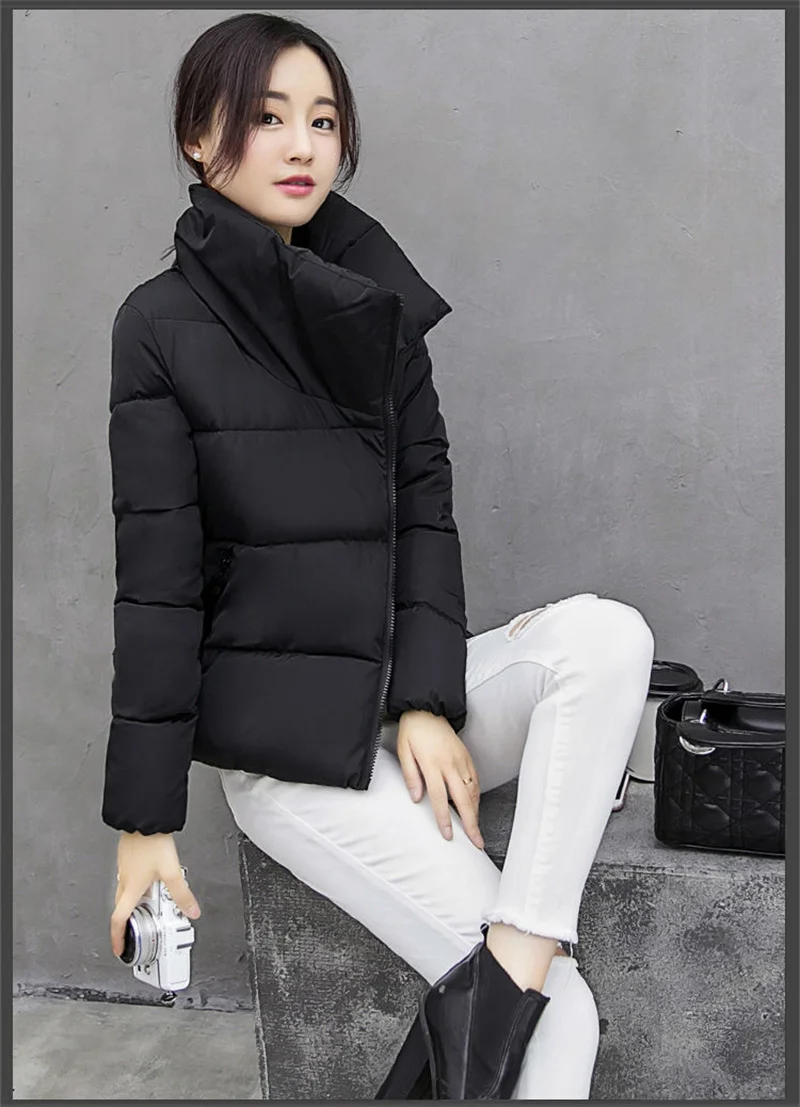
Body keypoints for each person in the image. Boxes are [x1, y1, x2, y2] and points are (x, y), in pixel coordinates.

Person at [104, 12, 655, 1100]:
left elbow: (423, 516)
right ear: (198, 139)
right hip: (296, 758)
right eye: (267, 118)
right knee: (559, 1022)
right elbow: (156, 590)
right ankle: (519, 982)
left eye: (322, 121)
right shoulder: (157, 327)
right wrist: (143, 823)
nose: (302, 145)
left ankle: (516, 952)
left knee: (606, 636)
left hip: (396, 708)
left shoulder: (375, 308)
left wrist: (422, 700)